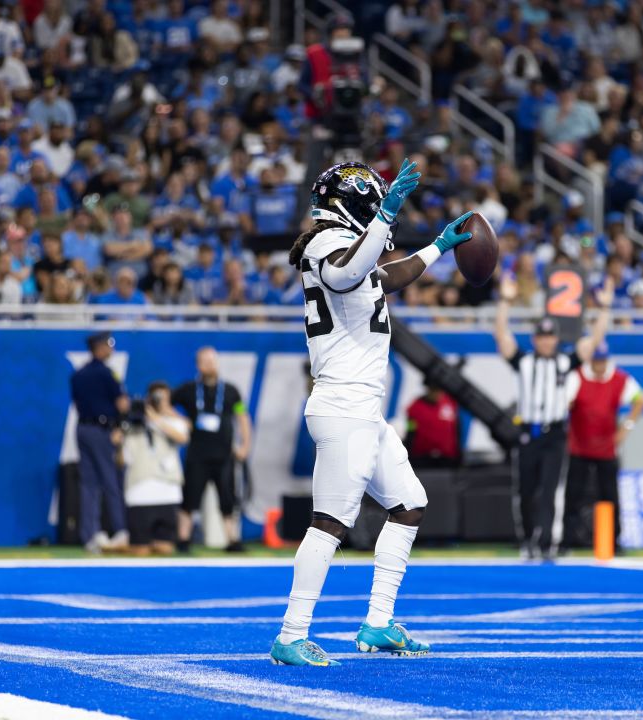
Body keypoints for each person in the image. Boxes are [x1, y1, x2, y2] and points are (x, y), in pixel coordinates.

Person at [271, 159, 474, 666]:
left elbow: (382, 276)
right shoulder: (324, 244)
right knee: (330, 524)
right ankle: (291, 635)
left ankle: (378, 624)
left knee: (409, 503)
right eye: (376, 203)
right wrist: (385, 215)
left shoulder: (348, 246)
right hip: (343, 405)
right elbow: (346, 275)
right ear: (359, 204)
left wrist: (438, 248)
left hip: (361, 407)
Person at [494, 274, 608, 561]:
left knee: (548, 491)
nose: (546, 341)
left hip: (555, 434)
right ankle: (528, 539)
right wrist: (505, 302)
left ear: (556, 339)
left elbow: (593, 341)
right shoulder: (524, 361)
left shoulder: (565, 361)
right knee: (526, 490)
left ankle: (545, 543)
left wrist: (604, 309)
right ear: (536, 339)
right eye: (541, 337)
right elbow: (501, 336)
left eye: (550, 336)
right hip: (528, 433)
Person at [563, 338, 643, 550]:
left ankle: (612, 540)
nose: (599, 365)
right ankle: (569, 538)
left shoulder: (619, 378)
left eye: (602, 360)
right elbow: (565, 402)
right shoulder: (577, 376)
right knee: (574, 494)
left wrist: (625, 428)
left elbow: (640, 400)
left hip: (607, 448)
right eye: (596, 360)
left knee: (609, 495)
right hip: (579, 446)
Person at [171, 348, 252, 554]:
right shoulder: (189, 389)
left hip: (224, 455)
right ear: (198, 364)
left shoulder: (231, 390)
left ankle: (232, 539)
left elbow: (242, 417)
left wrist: (245, 445)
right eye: (205, 361)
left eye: (212, 360)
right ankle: (184, 539)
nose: (209, 365)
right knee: (190, 497)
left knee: (227, 498)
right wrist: (181, 420)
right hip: (197, 454)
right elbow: (165, 403)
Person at [70, 331, 131, 554]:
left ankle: (90, 535)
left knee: (88, 484)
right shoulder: (107, 374)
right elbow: (122, 404)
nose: (111, 348)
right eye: (109, 344)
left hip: (82, 428)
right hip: (102, 430)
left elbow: (77, 403)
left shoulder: (78, 374)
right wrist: (119, 426)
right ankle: (120, 530)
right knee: (110, 481)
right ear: (99, 347)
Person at [120, 382, 189, 556]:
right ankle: (117, 547)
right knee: (140, 550)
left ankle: (116, 544)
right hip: (139, 490)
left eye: (165, 399)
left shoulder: (174, 422)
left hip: (167, 491)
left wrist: (156, 419)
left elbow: (182, 437)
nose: (161, 403)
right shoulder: (133, 423)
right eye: (157, 398)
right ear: (148, 399)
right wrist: (121, 432)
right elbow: (121, 460)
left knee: (165, 549)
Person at [404, 383, 462, 468]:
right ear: (428, 389)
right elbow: (410, 430)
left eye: (439, 390)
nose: (436, 393)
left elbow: (457, 430)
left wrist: (459, 454)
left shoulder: (451, 404)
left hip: (447, 460)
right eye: (433, 390)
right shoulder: (415, 407)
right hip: (421, 459)